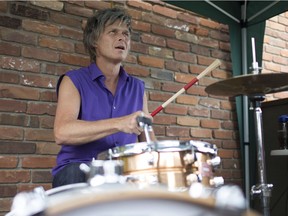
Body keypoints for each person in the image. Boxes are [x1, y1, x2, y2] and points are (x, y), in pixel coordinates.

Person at [52, 7, 154, 188]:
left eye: (126, 33)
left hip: (124, 175)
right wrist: (119, 123)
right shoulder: (73, 80)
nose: (122, 37)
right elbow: (62, 132)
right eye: (113, 32)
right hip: (80, 170)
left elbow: (150, 147)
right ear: (94, 42)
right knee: (76, 173)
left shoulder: (138, 88)